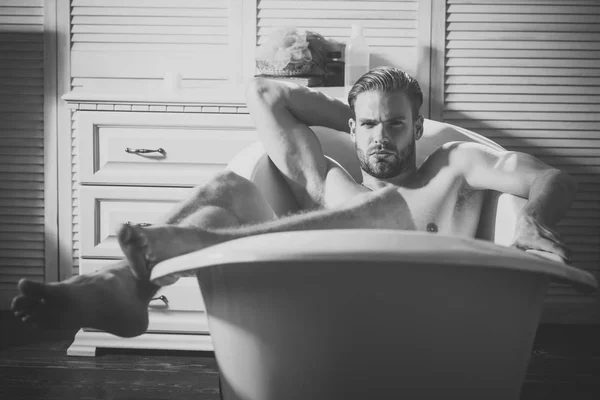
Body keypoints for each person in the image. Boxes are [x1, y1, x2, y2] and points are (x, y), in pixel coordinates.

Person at [11, 67, 576, 337]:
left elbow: (552, 178)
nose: (383, 137)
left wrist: (530, 218)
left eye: (396, 125)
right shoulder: (332, 183)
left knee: (378, 213)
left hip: (417, 320)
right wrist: (355, 119)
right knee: (225, 188)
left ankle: (158, 261)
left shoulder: (452, 165)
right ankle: (123, 286)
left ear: (418, 127)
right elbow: (263, 93)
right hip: (311, 312)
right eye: (371, 127)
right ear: (355, 129)